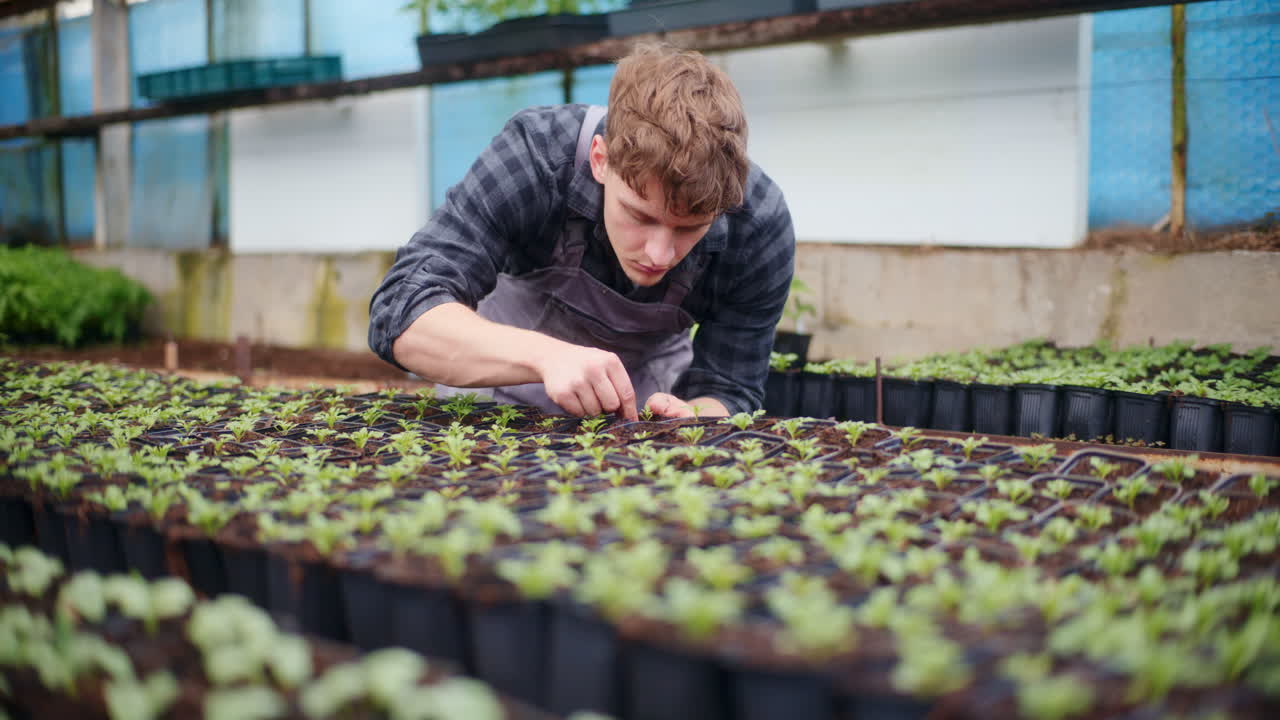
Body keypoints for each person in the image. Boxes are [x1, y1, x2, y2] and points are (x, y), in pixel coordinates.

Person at [368, 43, 795, 421]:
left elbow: (729, 388)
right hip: (494, 399)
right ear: (600, 160)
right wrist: (546, 356)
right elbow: (401, 311)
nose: (659, 254)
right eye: (641, 216)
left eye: (690, 228)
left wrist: (693, 415)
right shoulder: (537, 157)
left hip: (635, 411)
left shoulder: (757, 225)